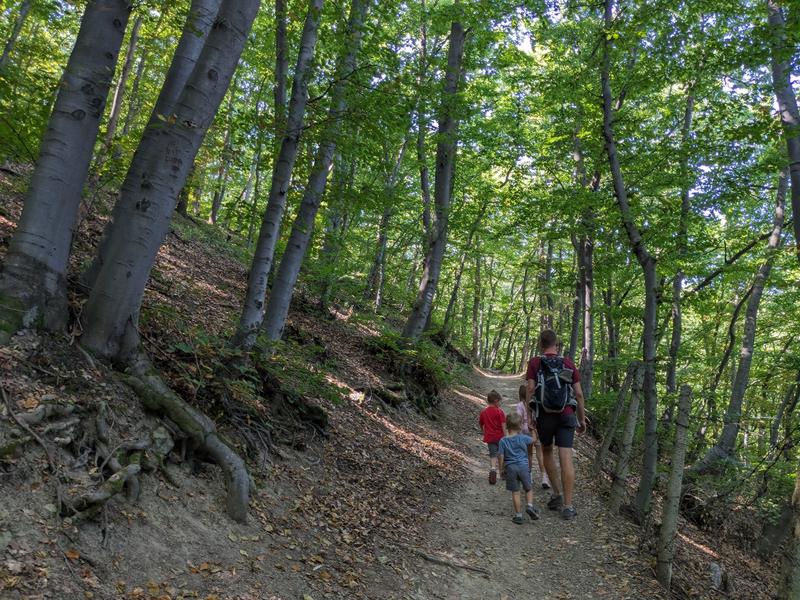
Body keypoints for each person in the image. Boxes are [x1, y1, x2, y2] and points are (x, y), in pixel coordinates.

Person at [526, 329, 588, 520]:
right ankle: (568, 507)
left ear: (540, 344)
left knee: (546, 451)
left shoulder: (536, 362)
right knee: (566, 456)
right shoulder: (567, 363)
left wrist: (530, 415)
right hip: (566, 414)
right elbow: (578, 394)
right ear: (556, 344)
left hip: (545, 415)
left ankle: (557, 495)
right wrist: (581, 418)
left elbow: (529, 388)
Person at [498, 412, 540, 524]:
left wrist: (501, 469)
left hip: (510, 468)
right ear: (520, 426)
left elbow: (501, 456)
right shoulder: (523, 438)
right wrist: (532, 430)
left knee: (515, 492)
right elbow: (534, 440)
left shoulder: (503, 441)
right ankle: (530, 506)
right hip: (523, 467)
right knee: (528, 488)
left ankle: (518, 515)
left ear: (507, 425)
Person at [516, 384, 550, 490]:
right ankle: (544, 477)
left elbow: (518, 419)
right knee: (540, 455)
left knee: (529, 454)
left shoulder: (520, 405)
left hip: (526, 433)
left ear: (520, 395)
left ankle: (529, 476)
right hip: (537, 431)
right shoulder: (535, 404)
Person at [479, 389, 506, 484]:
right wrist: (506, 436)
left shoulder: (484, 412)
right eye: (500, 401)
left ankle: (493, 469)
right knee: (501, 454)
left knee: (492, 455)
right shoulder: (500, 412)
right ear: (496, 401)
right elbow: (503, 426)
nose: (500, 403)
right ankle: (502, 471)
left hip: (490, 438)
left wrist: (484, 432)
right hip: (500, 437)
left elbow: (481, 424)